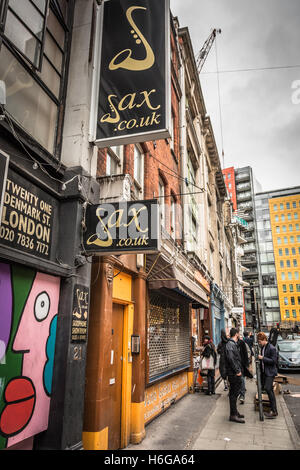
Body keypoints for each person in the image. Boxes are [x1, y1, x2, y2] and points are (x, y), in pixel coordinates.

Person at [225, 327, 245, 423]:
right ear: (236, 334)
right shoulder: (230, 344)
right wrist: (237, 371)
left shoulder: (233, 344)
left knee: (235, 393)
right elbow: (231, 359)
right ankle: (233, 415)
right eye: (238, 333)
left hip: (235, 372)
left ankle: (235, 412)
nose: (239, 335)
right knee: (233, 394)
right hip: (233, 373)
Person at [257, 331, 278, 419]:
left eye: (260, 341)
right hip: (265, 372)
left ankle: (274, 411)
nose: (259, 343)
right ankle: (273, 410)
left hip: (270, 372)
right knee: (268, 390)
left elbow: (274, 361)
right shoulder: (263, 347)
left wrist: (263, 358)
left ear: (264, 339)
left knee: (269, 389)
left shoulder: (272, 348)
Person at [237, 330, 253, 404]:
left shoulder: (243, 344)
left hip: (242, 365)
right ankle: (238, 393)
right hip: (234, 366)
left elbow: (248, 351)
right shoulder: (232, 344)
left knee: (242, 380)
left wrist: (247, 359)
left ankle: (242, 395)